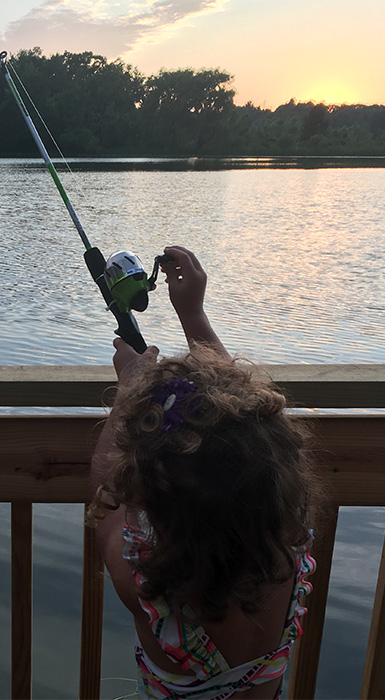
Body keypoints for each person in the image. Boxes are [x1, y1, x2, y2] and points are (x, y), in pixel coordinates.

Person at [88, 246, 318, 699]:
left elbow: (103, 488)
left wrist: (129, 389)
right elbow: (242, 428)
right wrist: (192, 313)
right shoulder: (283, 562)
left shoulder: (147, 591)